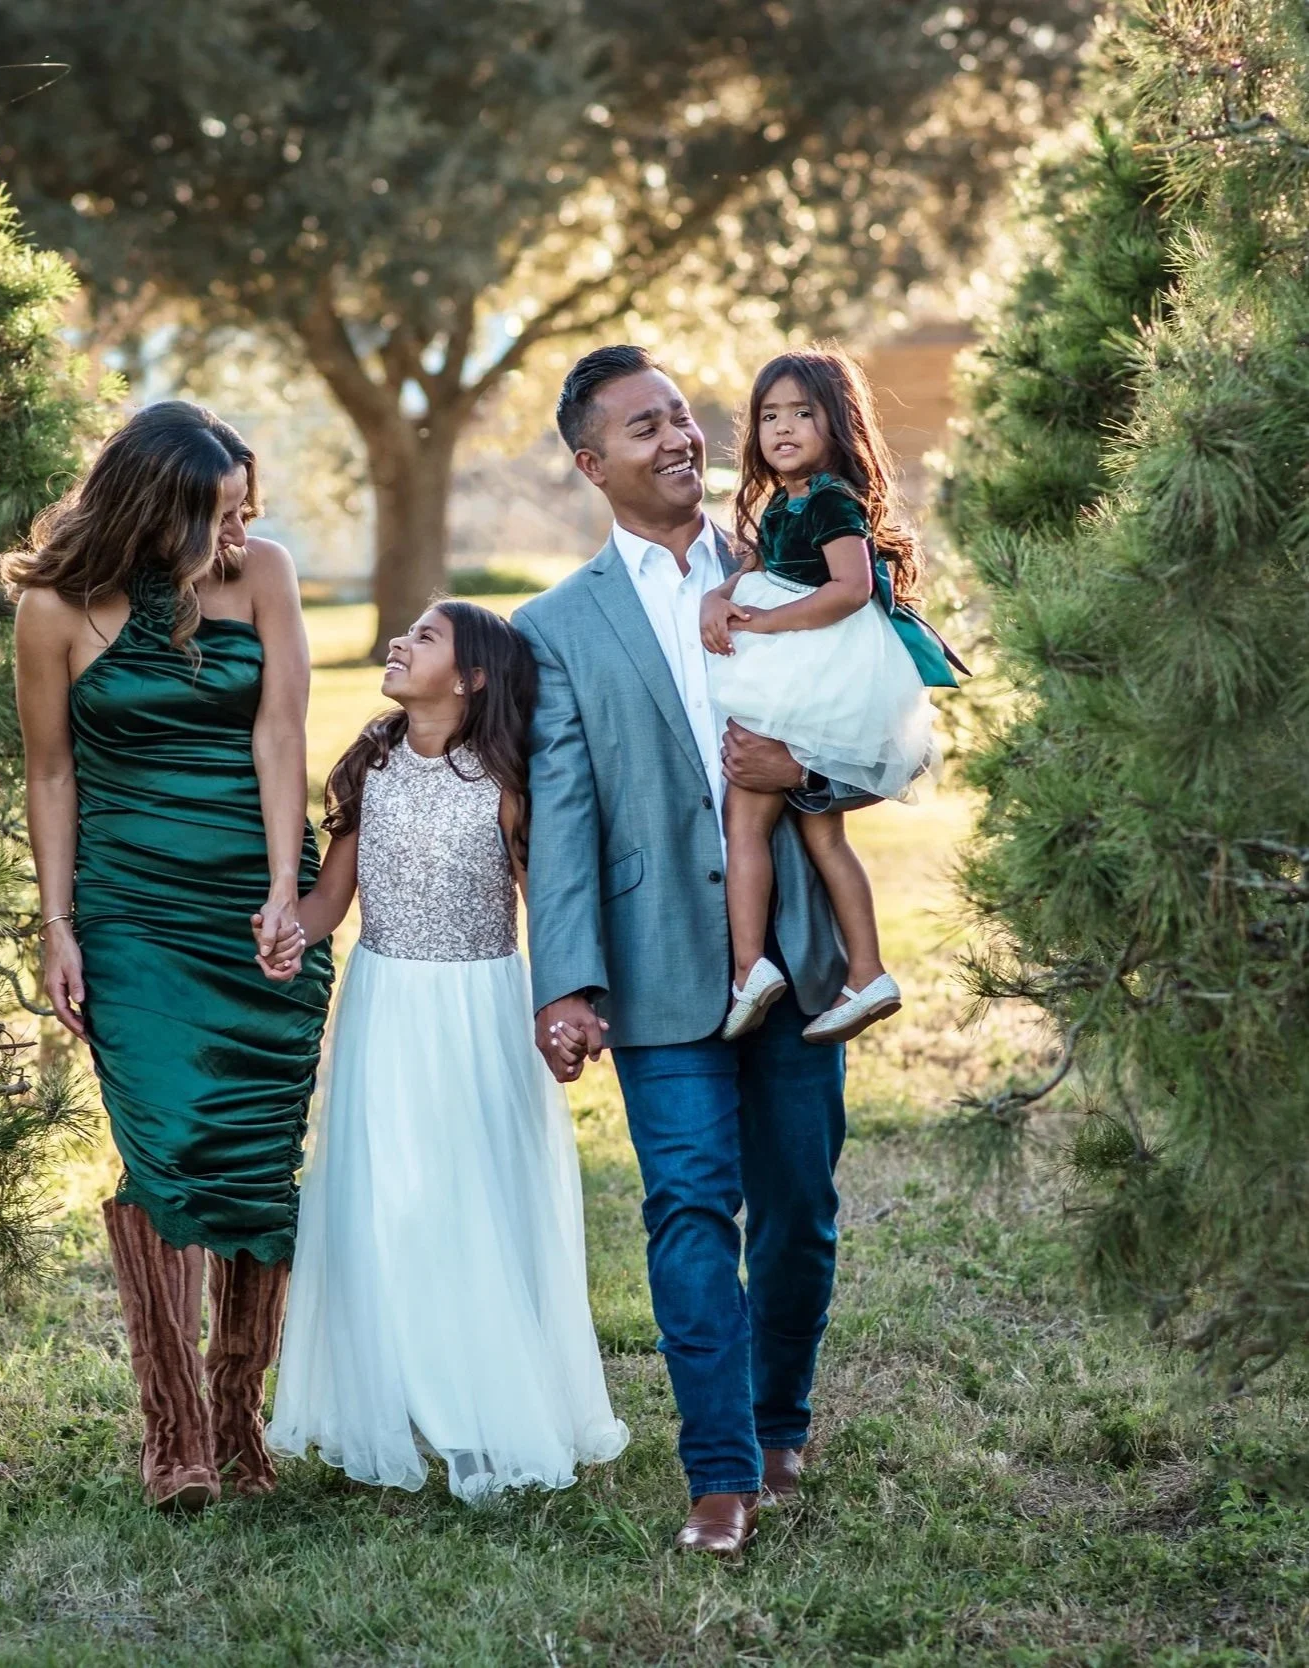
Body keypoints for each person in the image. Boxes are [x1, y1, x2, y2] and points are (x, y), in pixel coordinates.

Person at [513, 344, 866, 1557]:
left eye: (681, 416)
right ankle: (719, 1473)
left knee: (800, 1211)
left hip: (799, 953)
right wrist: (565, 976)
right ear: (590, 462)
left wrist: (802, 773)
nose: (678, 439)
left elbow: (873, 729)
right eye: (642, 427)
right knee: (685, 1209)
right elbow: (559, 811)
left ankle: (781, 1421)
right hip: (657, 958)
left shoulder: (788, 566)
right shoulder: (552, 628)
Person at [6, 402, 332, 1512]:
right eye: (220, 518)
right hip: (132, 911)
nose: (238, 537)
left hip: (250, 899)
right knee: (167, 1147)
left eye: (247, 513)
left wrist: (287, 893)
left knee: (251, 1153)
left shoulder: (264, 576)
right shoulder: (53, 608)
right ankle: (174, 1433)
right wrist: (57, 926)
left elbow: (280, 729)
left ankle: (238, 1421)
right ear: (155, 513)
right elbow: (51, 775)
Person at [258, 601, 629, 1503]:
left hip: (478, 1011)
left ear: (470, 680)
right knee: (386, 1200)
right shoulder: (373, 765)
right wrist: (286, 932)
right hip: (385, 1006)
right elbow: (329, 903)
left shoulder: (502, 780)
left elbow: (549, 905)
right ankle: (389, 1400)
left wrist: (565, 1005)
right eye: (408, 632)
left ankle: (481, 1407)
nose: (401, 643)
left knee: (472, 1197)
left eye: (426, 638)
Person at [700, 348, 948, 1045]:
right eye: (769, 415)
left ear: (836, 422)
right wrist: (720, 598)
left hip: (813, 672)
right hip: (803, 670)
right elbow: (754, 566)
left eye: (801, 413)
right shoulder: (786, 500)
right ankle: (866, 971)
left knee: (745, 819)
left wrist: (767, 621)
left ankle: (751, 968)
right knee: (819, 831)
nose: (782, 427)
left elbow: (849, 587)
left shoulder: (834, 499)